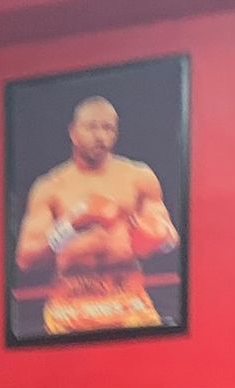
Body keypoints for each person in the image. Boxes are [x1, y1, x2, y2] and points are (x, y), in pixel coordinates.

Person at [13, 96, 179, 335]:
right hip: (70, 306)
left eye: (108, 128)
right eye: (91, 127)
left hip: (128, 301)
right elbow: (25, 258)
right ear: (73, 131)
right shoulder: (51, 187)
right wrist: (71, 225)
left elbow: (170, 238)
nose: (100, 136)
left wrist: (151, 234)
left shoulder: (139, 177)